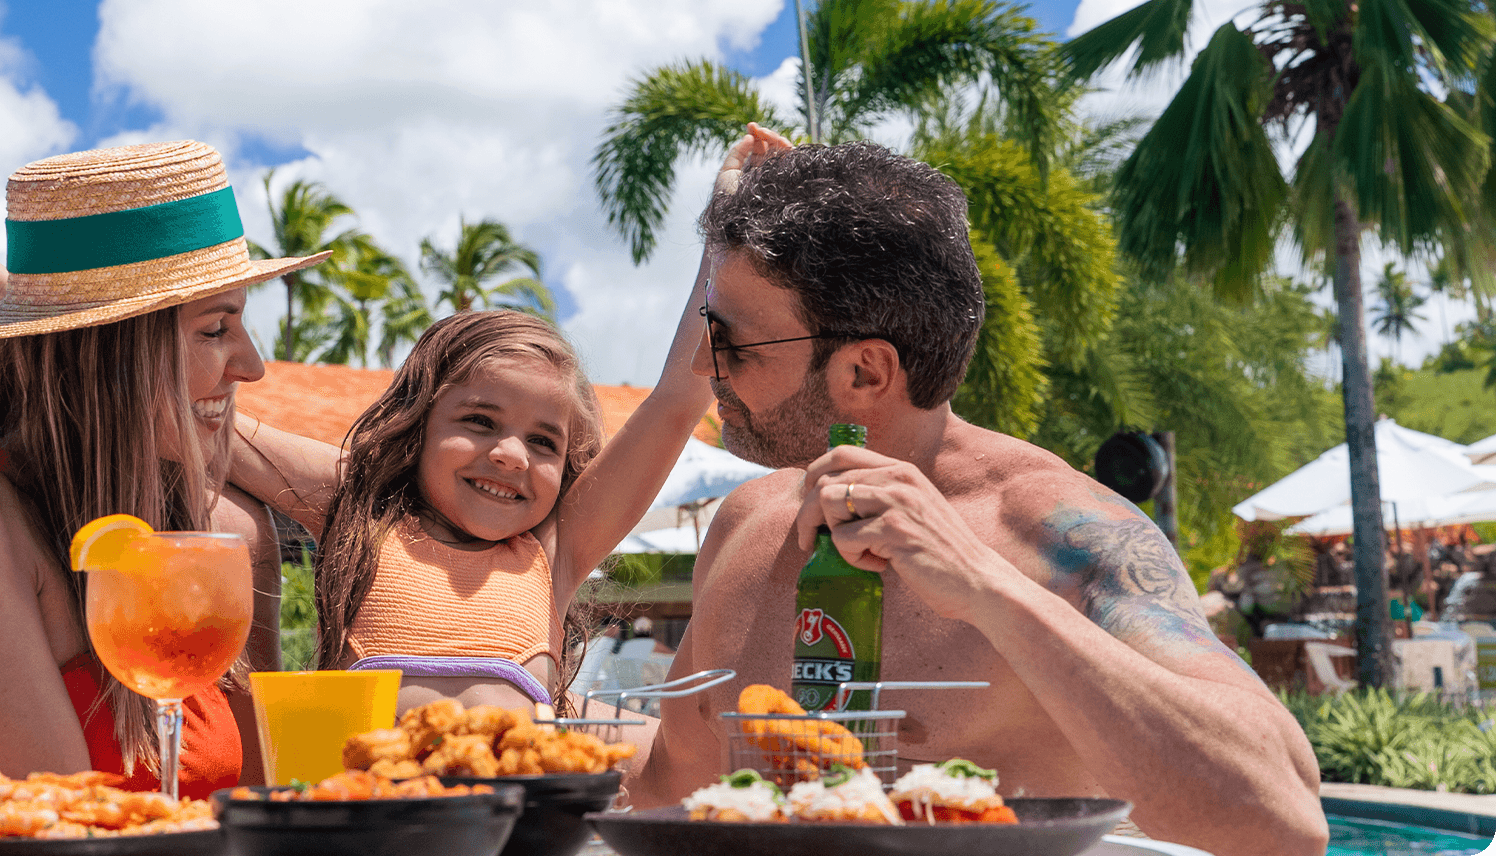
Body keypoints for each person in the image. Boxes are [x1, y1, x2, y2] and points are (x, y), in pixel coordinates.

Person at [625, 140, 1326, 856]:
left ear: (865, 371)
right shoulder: (748, 523)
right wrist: (513, 680)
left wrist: (986, 585)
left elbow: (1283, 820)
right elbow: (666, 786)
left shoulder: (1061, 536)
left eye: (730, 342)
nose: (698, 364)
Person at [224, 132, 787, 713]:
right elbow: (206, 424)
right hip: (365, 803)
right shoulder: (359, 506)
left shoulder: (555, 549)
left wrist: (728, 232)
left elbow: (675, 402)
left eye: (544, 441)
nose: (511, 455)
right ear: (417, 427)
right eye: (479, 420)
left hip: (523, 804)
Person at [0, 141, 326, 799]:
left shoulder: (226, 537)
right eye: (216, 329)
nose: (252, 366)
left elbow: (387, 503)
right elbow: (62, 836)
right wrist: (52, 341)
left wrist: (58, 347)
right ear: (113, 353)